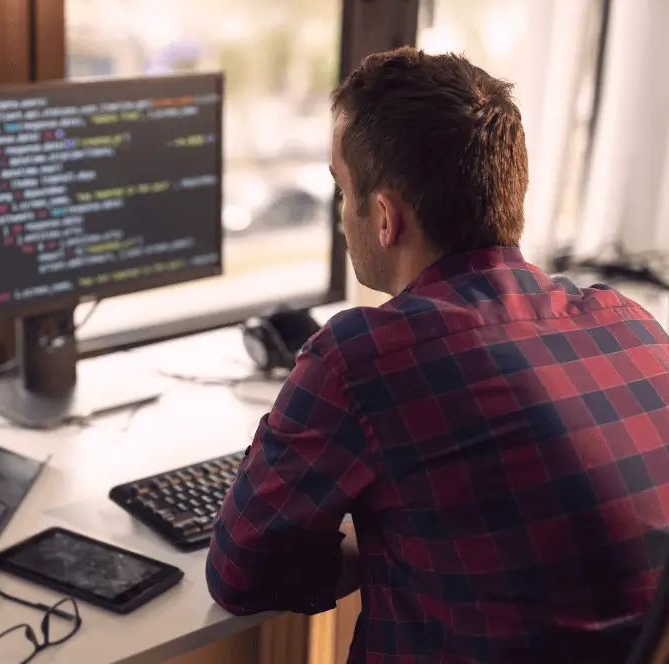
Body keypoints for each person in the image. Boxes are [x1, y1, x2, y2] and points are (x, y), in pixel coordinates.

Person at [206, 46, 669, 663]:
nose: (341, 215)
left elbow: (242, 572)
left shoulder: (361, 355)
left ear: (385, 217)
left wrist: (371, 545)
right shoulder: (631, 323)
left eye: (342, 190)